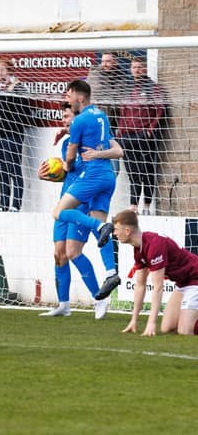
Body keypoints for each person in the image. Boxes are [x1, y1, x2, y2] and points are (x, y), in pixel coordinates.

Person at [39, 103, 123, 319]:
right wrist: (48, 174)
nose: (64, 121)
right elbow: (68, 173)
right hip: (66, 199)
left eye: (67, 116)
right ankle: (64, 305)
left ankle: (99, 298)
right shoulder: (67, 143)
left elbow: (107, 158)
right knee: (59, 254)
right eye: (63, 118)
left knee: (74, 252)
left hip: (80, 203)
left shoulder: (91, 141)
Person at [52, 80, 121, 295]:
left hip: (92, 175)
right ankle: (111, 273)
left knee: (59, 212)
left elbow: (71, 156)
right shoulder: (102, 117)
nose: (68, 99)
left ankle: (98, 227)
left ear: (80, 97)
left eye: (69, 95)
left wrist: (66, 166)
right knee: (101, 226)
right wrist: (97, 153)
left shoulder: (80, 120)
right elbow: (118, 150)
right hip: (108, 176)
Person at [111, 209, 198, 336]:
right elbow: (140, 285)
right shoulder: (138, 249)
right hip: (182, 282)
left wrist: (151, 323)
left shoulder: (155, 245)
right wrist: (134, 320)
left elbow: (158, 288)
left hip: (195, 277)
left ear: (127, 231)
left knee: (185, 331)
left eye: (116, 229)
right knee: (166, 328)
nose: (114, 233)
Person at [117, 56, 165, 214]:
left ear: (145, 69)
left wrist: (150, 129)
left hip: (144, 135)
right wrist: (120, 131)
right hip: (127, 137)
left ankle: (147, 205)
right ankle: (133, 206)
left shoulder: (153, 88)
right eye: (134, 67)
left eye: (140, 67)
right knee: (133, 171)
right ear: (130, 70)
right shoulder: (126, 89)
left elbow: (160, 110)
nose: (137, 70)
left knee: (147, 170)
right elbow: (122, 113)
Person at [0, 58, 31, 212]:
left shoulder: (19, 88)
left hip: (12, 134)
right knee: (2, 171)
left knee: (14, 169)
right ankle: (3, 204)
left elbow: (25, 113)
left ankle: (16, 205)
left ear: (5, 70)